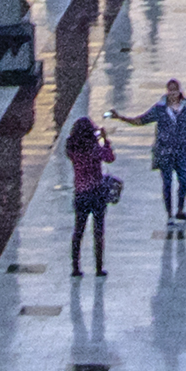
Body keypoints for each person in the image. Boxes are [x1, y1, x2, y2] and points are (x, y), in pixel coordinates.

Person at [114, 80, 186, 226]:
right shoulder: (160, 109)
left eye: (175, 91)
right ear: (167, 91)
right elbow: (141, 120)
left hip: (181, 151)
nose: (173, 94)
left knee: (184, 180)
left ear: (179, 91)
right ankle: (170, 214)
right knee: (167, 183)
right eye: (170, 91)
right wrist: (121, 118)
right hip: (165, 151)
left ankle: (180, 209)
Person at [63, 115, 119, 276]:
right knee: (98, 232)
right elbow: (110, 157)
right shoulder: (95, 149)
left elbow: (69, 149)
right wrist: (105, 139)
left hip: (80, 194)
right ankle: (99, 268)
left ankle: (75, 267)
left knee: (78, 231)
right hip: (97, 194)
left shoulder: (72, 149)